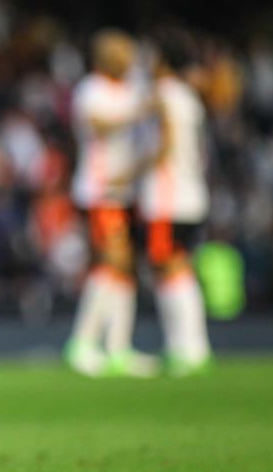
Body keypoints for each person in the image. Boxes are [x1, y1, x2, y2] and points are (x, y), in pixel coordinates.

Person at [63, 29, 159, 378]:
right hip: (99, 188)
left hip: (126, 189)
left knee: (123, 267)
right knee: (112, 261)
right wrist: (140, 110)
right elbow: (98, 125)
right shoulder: (91, 89)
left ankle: (118, 347)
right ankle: (83, 343)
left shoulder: (131, 88)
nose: (129, 59)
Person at [137, 40, 212, 376]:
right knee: (179, 266)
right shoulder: (187, 96)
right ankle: (192, 346)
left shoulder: (163, 93)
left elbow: (165, 142)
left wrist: (135, 169)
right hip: (191, 191)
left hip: (168, 194)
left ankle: (185, 348)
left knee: (168, 267)